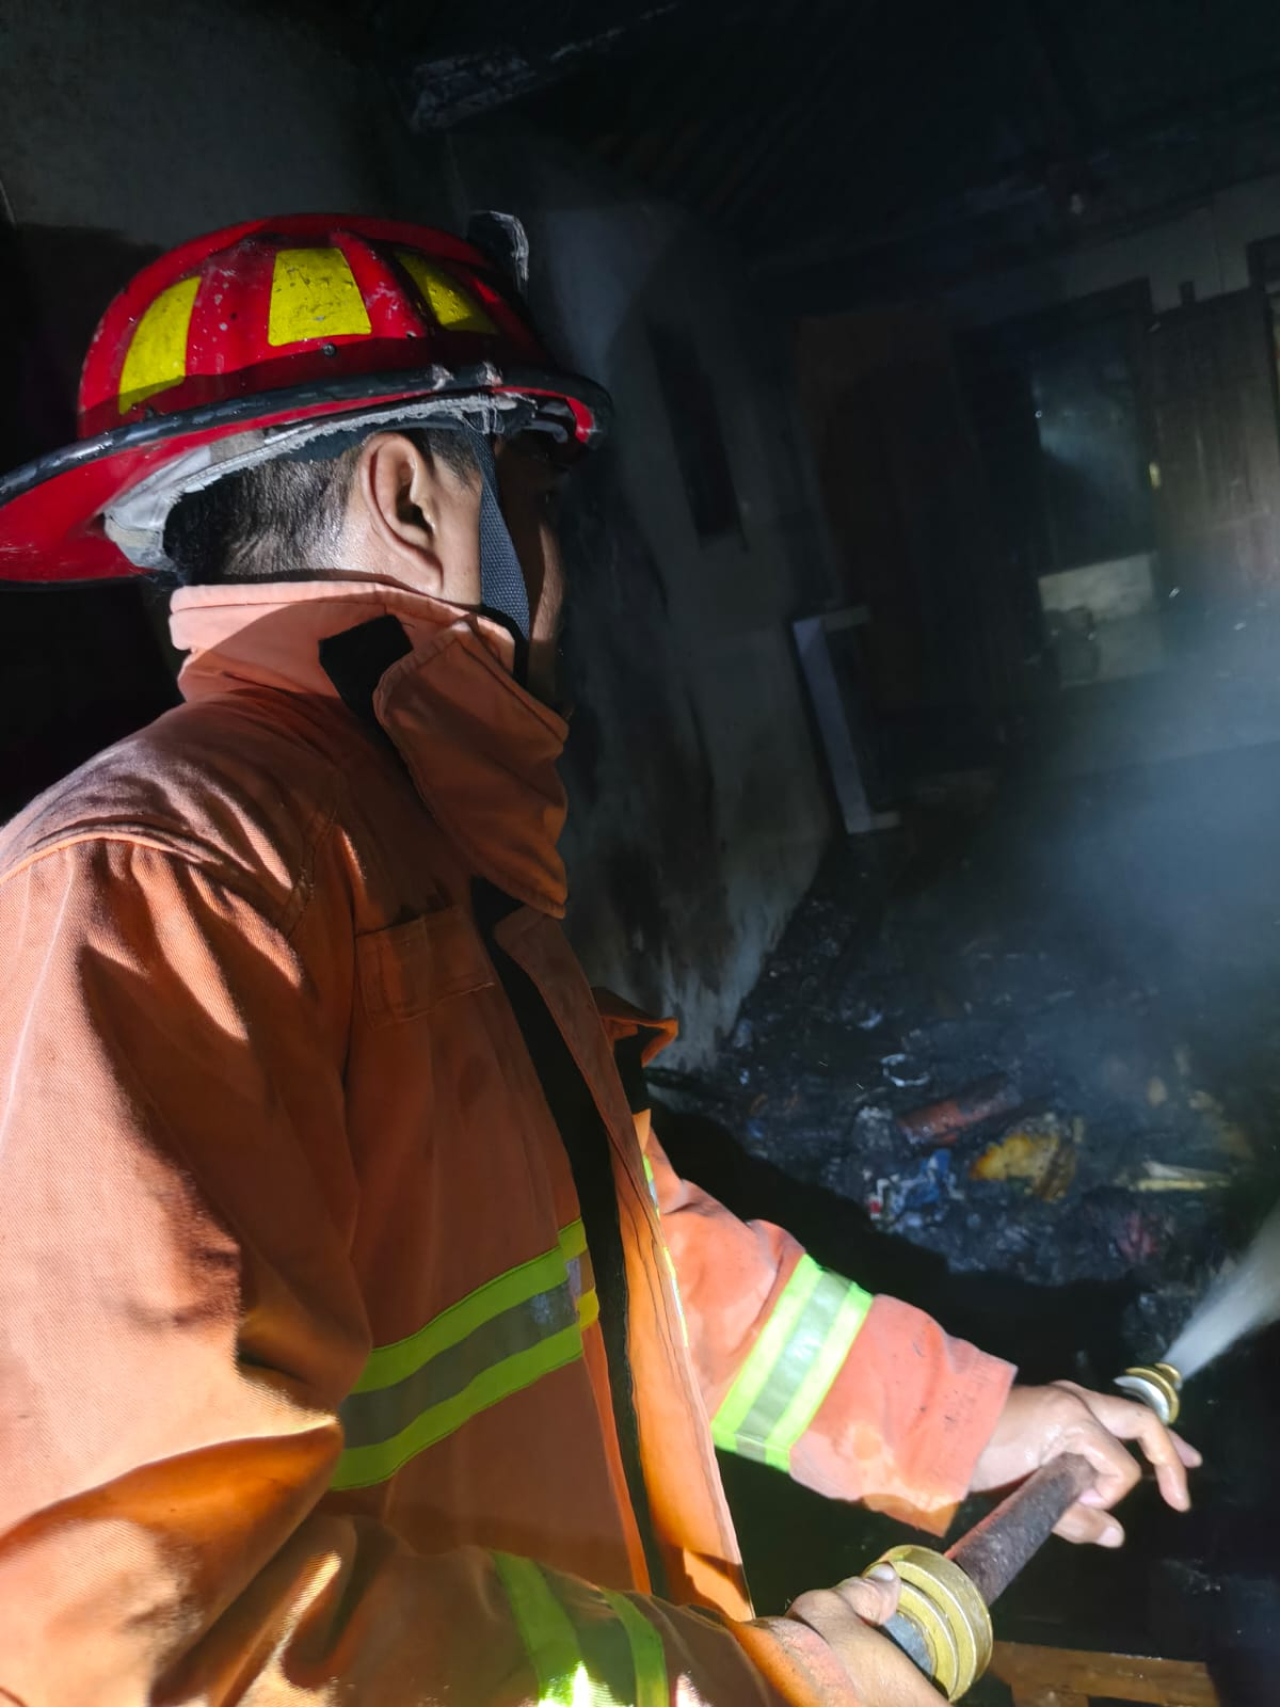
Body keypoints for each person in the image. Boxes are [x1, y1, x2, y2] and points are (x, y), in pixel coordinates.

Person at [0, 215, 1198, 1707]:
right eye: (540, 503)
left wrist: (972, 1423)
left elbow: (627, 1261)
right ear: (415, 496)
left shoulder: (409, 850)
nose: (557, 564)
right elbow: (156, 1643)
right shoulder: (170, 877)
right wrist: (756, 1688)